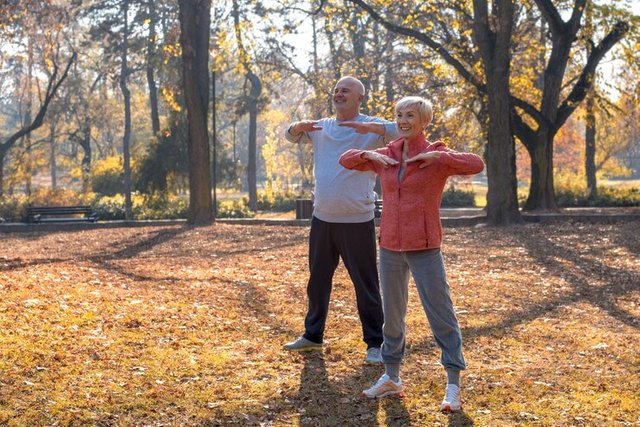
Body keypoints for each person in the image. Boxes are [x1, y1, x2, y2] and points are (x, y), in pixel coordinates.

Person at [339, 96, 484, 411]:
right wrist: (366, 152)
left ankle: (453, 385)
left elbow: (476, 163)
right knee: (392, 317)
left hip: (425, 247)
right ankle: (391, 377)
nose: (403, 120)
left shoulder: (437, 155)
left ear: (424, 121)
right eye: (399, 115)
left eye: (410, 116)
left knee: (441, 315)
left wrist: (439, 159)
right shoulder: (387, 154)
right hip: (390, 246)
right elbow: (346, 160)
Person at [283, 76, 399, 364]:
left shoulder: (373, 127)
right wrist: (296, 127)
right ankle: (312, 336)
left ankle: (375, 344)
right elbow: (290, 135)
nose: (339, 93)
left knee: (366, 285)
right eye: (336, 90)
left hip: (357, 220)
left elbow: (402, 131)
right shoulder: (323, 127)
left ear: (360, 97)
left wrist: (369, 128)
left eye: (345, 90)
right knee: (318, 280)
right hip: (322, 218)